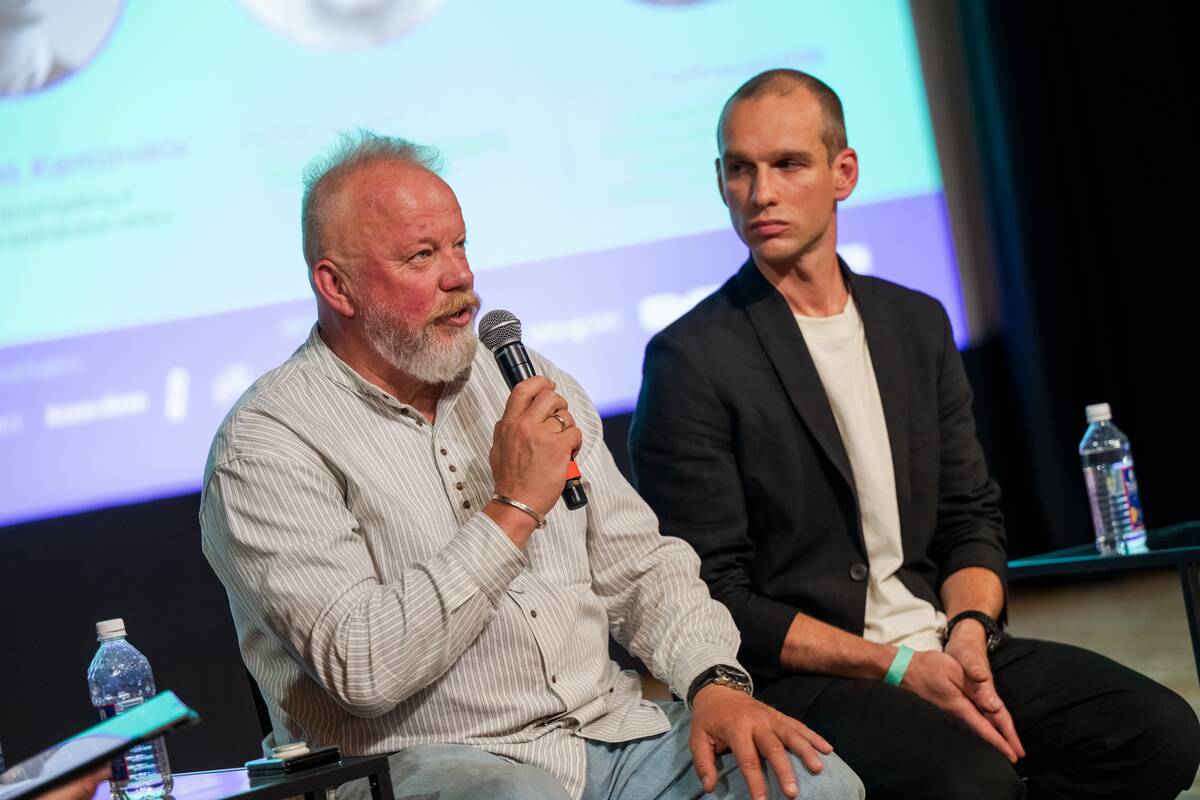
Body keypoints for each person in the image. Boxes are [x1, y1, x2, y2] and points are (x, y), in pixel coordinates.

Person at [200, 129, 864, 800]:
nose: (460, 276)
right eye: (422, 255)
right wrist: (512, 508)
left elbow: (638, 564)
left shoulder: (522, 378)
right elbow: (361, 668)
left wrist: (713, 681)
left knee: (818, 786)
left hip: (604, 734)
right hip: (416, 762)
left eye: (460, 245)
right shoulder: (267, 445)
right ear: (336, 286)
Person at [628, 69, 1200, 799]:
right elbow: (714, 593)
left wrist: (970, 631)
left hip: (941, 644)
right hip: (811, 678)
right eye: (740, 169)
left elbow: (969, 517)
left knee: (1158, 732)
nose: (760, 192)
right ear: (720, 181)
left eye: (788, 163)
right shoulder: (691, 358)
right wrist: (894, 666)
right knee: (975, 784)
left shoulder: (915, 322)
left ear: (844, 173)